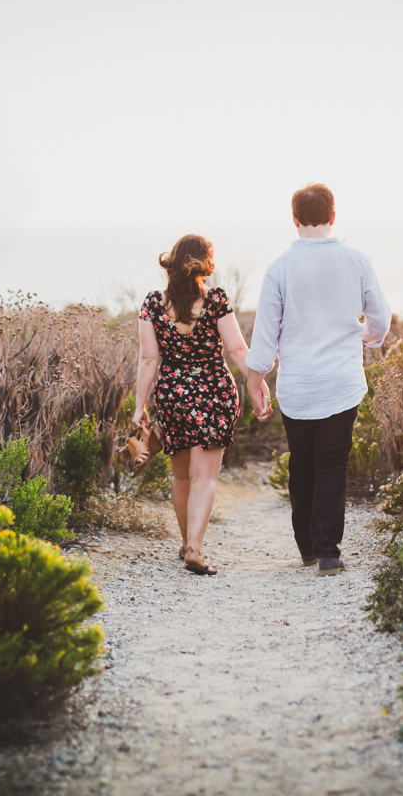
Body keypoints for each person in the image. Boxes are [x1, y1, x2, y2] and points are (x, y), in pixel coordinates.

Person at [245, 184, 391, 576]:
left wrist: (254, 381)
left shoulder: (279, 269)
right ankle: (328, 552)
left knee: (303, 464)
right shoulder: (356, 260)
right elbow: (380, 318)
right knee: (332, 464)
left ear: (294, 219)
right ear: (333, 216)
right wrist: (367, 338)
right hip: (342, 382)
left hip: (298, 386)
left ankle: (307, 547)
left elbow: (264, 337)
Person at [132, 234, 268, 575]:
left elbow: (149, 359)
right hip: (214, 394)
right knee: (203, 477)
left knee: (181, 477)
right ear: (207, 264)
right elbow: (237, 350)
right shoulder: (216, 300)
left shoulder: (153, 304)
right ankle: (194, 547)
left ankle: (187, 544)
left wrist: (139, 408)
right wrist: (257, 379)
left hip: (172, 395)